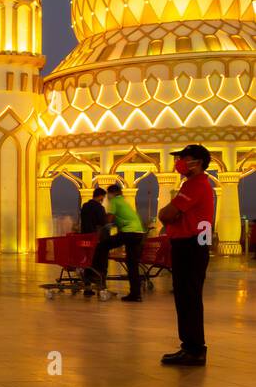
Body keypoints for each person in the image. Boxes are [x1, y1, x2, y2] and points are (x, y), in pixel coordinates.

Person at [158, 144, 217, 366]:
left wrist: (169, 215)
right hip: (195, 244)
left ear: (198, 162)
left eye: (184, 158)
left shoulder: (195, 185)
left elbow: (166, 214)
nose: (179, 162)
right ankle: (191, 347)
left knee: (188, 297)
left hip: (190, 245)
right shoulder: (199, 184)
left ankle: (194, 349)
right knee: (188, 297)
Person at [91, 183, 144, 301]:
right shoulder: (124, 202)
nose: (107, 197)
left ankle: (96, 273)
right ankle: (136, 294)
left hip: (129, 233)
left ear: (112, 193)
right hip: (138, 233)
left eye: (108, 194)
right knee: (132, 264)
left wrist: (101, 225)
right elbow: (119, 220)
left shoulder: (115, 201)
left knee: (101, 246)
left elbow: (109, 219)